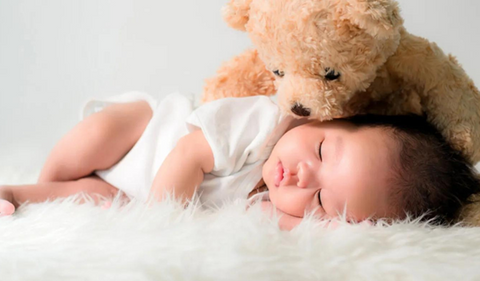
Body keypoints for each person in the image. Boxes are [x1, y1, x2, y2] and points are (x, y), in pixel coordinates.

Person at [0, 92, 478, 230]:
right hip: (139, 139)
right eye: (321, 151)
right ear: (334, 118)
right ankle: (48, 178)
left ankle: (17, 197)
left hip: (130, 193)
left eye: (323, 201)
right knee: (102, 133)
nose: (302, 176)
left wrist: (324, 222)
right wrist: (160, 227)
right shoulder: (267, 122)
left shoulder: (282, 206)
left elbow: (297, 228)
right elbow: (188, 155)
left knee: (91, 200)